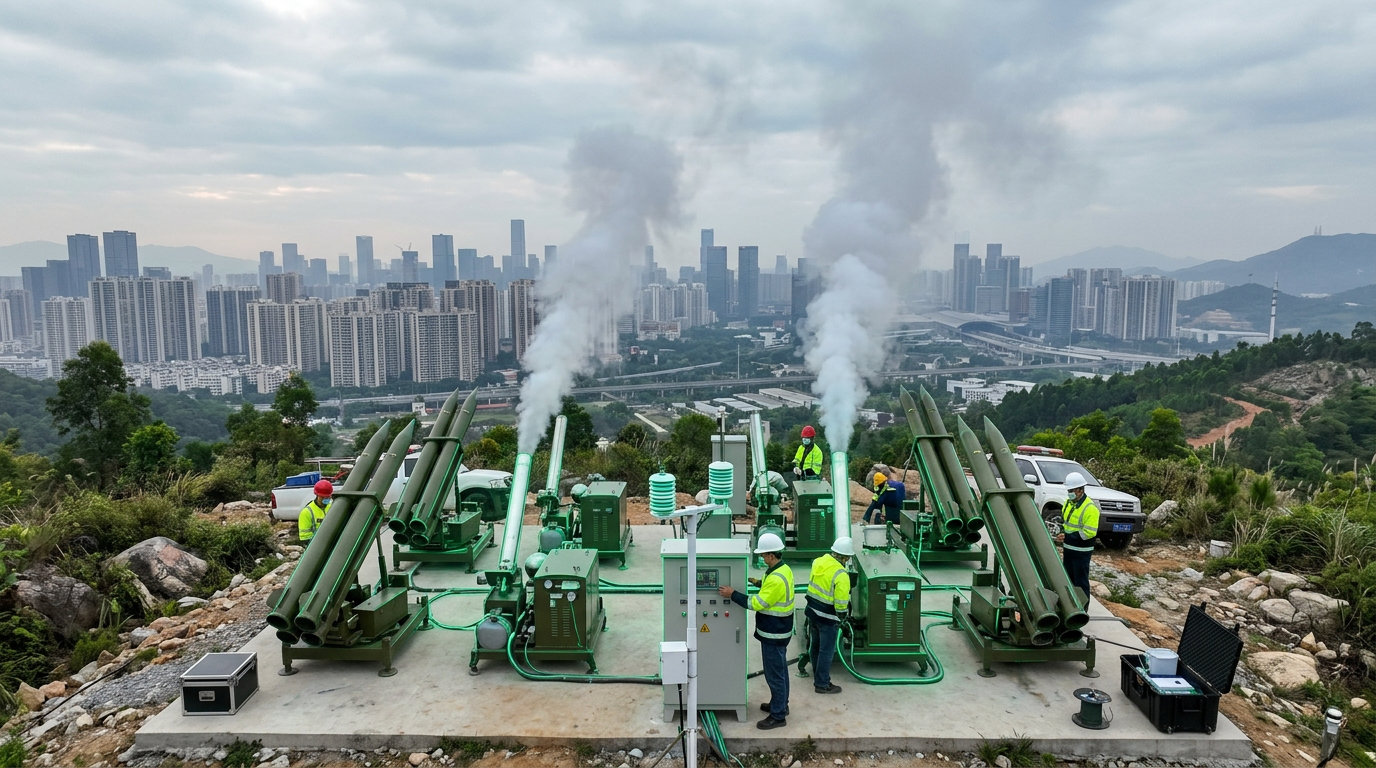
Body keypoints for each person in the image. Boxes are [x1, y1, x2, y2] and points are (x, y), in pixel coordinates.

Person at [720, 532, 795, 730]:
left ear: (771, 555)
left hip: (774, 632)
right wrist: (759, 583)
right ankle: (781, 705)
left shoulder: (776, 578)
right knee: (780, 671)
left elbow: (757, 603)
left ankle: (778, 715)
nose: (762, 558)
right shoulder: (782, 569)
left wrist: (732, 594)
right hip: (781, 630)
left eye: (763, 555)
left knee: (774, 674)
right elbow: (772, 590)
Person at [803, 536, 853, 694]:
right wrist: (844, 617)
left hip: (812, 612)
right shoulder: (841, 574)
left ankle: (817, 674)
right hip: (827, 618)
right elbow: (841, 604)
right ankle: (822, 683)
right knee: (827, 651)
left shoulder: (818, 561)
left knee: (815, 646)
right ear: (844, 557)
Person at [1056, 472, 1099, 598]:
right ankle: (1070, 606)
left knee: (1080, 582)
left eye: (1072, 490)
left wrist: (1068, 537)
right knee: (1068, 580)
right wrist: (1062, 533)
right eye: (1069, 490)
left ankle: (1082, 609)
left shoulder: (1090, 508)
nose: (1069, 492)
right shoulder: (1068, 504)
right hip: (1068, 549)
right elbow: (1066, 523)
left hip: (1082, 552)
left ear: (1080, 490)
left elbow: (1089, 533)